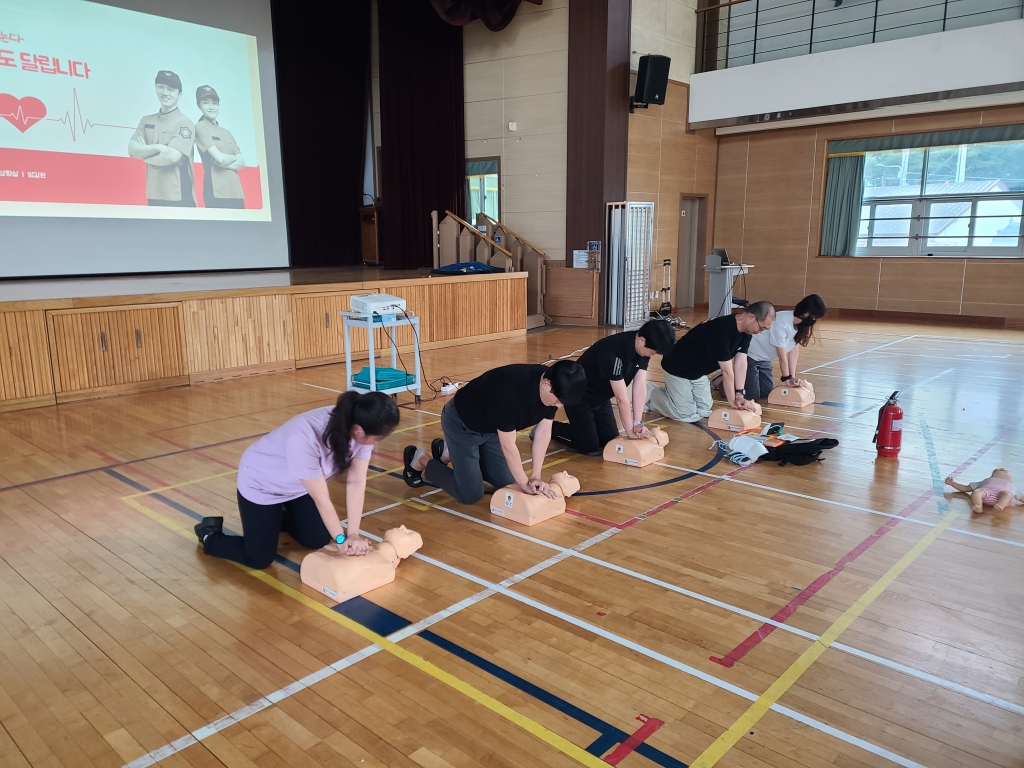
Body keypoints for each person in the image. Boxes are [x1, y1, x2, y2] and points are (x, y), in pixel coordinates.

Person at [194, 391, 400, 568]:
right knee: (258, 559)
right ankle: (209, 535)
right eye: (379, 438)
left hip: (298, 486)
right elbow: (321, 499)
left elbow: (356, 481)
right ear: (359, 431)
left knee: (317, 538)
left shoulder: (359, 426)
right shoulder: (304, 438)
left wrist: (353, 534)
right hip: (263, 484)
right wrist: (341, 540)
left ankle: (276, 518)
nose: (377, 442)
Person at [402, 360, 587, 505]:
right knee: (470, 494)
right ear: (546, 384)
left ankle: (449, 451)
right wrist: (525, 484)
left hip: (492, 430)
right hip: (463, 425)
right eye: (558, 401)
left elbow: (544, 432)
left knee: (505, 481)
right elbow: (508, 446)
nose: (558, 406)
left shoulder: (554, 388)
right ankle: (421, 460)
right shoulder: (510, 392)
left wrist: (535, 476)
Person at [550, 319, 675, 455]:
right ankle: (550, 428)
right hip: (579, 398)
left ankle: (581, 430)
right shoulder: (613, 353)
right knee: (588, 445)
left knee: (609, 440)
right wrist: (629, 430)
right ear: (642, 341)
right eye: (653, 352)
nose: (652, 355)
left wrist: (637, 423)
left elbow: (639, 387)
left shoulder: (642, 350)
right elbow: (621, 398)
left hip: (601, 398)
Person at [648, 301, 776, 422]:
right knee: (685, 414)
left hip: (697, 373)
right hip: (677, 368)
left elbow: (741, 363)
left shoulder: (746, 332)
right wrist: (732, 402)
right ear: (751, 317)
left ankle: (670, 394)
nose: (761, 332)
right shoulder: (722, 330)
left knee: (704, 409)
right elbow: (727, 371)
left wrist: (739, 394)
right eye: (762, 328)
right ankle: (650, 393)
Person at [721, 294, 827, 400]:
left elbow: (793, 352)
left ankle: (740, 378)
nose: (814, 320)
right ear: (805, 313)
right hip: (751, 356)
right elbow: (782, 356)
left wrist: (792, 376)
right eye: (814, 317)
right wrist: (787, 378)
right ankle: (722, 382)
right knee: (752, 396)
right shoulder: (782, 322)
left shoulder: (801, 326)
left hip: (765, 360)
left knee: (766, 392)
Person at [128, 70, 197, 207]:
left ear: (180, 94)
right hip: (154, 194)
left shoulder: (185, 124)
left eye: (171, 89)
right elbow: (132, 149)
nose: (165, 93)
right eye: (161, 87)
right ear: (156, 89)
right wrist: (158, 148)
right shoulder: (147, 121)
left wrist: (145, 155)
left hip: (180, 196)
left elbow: (171, 156)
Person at [193, 85, 246, 209]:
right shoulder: (200, 127)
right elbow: (220, 158)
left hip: (236, 192)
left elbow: (242, 163)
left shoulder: (226, 132)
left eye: (215, 103)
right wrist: (232, 158)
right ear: (198, 105)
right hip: (216, 192)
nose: (211, 107)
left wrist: (224, 162)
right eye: (206, 103)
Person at [945, 468, 1019, 514]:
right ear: (991, 477)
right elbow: (965, 488)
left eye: (1004, 470)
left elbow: (1022, 497)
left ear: (1010, 481)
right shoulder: (986, 481)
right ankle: (978, 505)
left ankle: (1000, 505)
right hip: (986, 492)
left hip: (1001, 494)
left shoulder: (1011, 486)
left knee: (1007, 494)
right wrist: (952, 483)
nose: (1002, 468)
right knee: (977, 492)